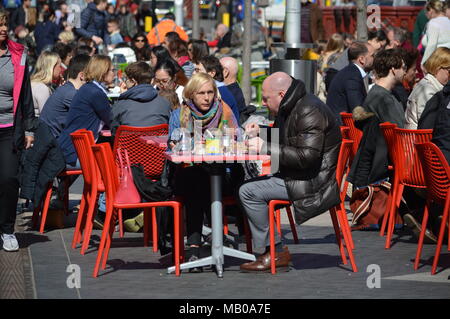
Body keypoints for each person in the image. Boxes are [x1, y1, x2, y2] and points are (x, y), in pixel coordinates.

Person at [238, 71, 341, 272]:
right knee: (243, 183)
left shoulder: (308, 110)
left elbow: (305, 157)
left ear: (282, 94)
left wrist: (263, 147)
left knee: (247, 191)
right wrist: (262, 131)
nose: (264, 103)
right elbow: (288, 139)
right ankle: (270, 251)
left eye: (266, 98)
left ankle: (274, 252)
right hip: (297, 175)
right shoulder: (293, 105)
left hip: (312, 182)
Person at [169, 73, 240, 272]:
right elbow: (173, 143)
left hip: (222, 173)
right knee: (196, 178)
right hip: (188, 174)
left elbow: (238, 137)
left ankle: (195, 246)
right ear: (191, 95)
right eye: (201, 93)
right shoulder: (180, 114)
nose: (207, 98)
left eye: (210, 92)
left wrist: (231, 140)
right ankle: (207, 241)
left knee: (201, 180)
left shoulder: (224, 111)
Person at [0, 9, 36, 252]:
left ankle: (6, 230)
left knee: (9, 179)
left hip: (9, 128)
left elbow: (25, 95)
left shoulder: (17, 53)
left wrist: (29, 129)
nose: (3, 28)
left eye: (4, 24)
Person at [348, 49, 406, 188]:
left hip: (375, 163)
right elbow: (401, 134)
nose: (405, 71)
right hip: (385, 166)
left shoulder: (377, 94)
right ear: (393, 69)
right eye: (403, 67)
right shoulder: (384, 99)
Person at [57, 55, 113, 167]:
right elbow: (112, 120)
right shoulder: (95, 93)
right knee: (116, 161)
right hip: (75, 153)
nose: (114, 73)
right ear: (103, 72)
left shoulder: (88, 88)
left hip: (68, 149)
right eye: (111, 70)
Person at [111, 61, 171, 136]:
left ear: (133, 81)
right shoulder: (164, 103)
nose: (124, 82)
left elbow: (113, 132)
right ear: (151, 81)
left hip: (128, 147)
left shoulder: (120, 105)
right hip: (157, 147)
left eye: (126, 79)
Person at [40, 54, 90, 139]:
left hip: (53, 140)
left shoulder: (67, 88)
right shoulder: (70, 93)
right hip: (54, 145)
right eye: (92, 73)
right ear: (82, 75)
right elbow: (90, 114)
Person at [326, 41, 375, 122]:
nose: (375, 58)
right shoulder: (352, 76)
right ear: (361, 59)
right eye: (372, 56)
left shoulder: (351, 72)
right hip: (343, 129)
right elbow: (358, 111)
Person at [405, 47, 450, 129]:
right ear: (438, 68)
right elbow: (429, 124)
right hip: (418, 139)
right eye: (449, 71)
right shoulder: (428, 90)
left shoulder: (428, 85)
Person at [196, 55, 240, 122]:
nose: (194, 74)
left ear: (212, 73)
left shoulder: (221, 93)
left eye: (198, 70)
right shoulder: (217, 90)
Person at [31, 51, 62, 117]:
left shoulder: (38, 84)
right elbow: (47, 116)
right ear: (52, 67)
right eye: (59, 66)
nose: (61, 69)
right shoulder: (41, 88)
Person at [421, 0, 450, 66]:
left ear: (431, 10)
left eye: (426, 11)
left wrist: (424, 62)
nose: (426, 14)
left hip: (439, 60)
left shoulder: (433, 23)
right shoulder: (448, 21)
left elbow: (432, 44)